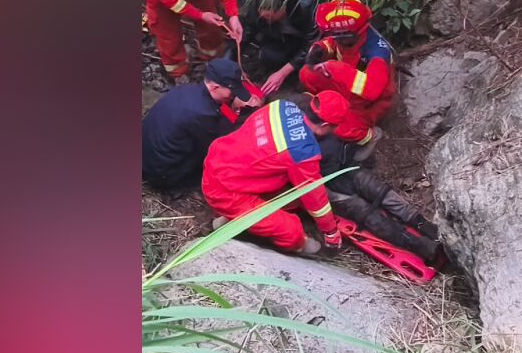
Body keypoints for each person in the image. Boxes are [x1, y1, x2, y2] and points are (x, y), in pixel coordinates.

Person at [201, 92, 353, 256]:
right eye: (335, 126)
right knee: (292, 231)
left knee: (291, 196)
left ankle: (231, 221)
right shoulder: (302, 152)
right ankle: (231, 221)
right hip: (225, 191)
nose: (336, 130)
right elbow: (315, 198)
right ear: (324, 125)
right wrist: (330, 233)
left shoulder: (281, 106)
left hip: (220, 162)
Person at [316, 132, 445, 265]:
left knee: (378, 195)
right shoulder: (308, 143)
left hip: (346, 169)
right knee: (367, 212)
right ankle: (421, 244)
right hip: (332, 180)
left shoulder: (322, 127)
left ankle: (425, 229)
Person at [142, 59, 262, 197]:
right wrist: (234, 110)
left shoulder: (187, 89)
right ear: (215, 87)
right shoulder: (202, 114)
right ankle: (175, 186)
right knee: (217, 161)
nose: (234, 96)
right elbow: (216, 145)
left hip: (145, 153)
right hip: (159, 172)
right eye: (232, 92)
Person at [298, 0, 397, 161]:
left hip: (368, 102)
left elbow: (371, 91)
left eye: (338, 36)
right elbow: (332, 43)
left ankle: (370, 136)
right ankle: (324, 104)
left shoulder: (377, 55)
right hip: (346, 86)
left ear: (353, 33)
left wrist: (337, 69)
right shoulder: (347, 37)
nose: (336, 39)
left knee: (340, 129)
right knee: (307, 74)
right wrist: (319, 49)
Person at [225, 0, 319, 96]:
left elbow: (311, 44)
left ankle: (295, 75)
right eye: (263, 17)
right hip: (281, 39)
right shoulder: (256, 5)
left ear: (284, 8)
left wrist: (282, 73)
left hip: (303, 42)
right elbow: (247, 33)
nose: (265, 18)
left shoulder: (308, 8)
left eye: (270, 17)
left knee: (310, 66)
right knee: (269, 56)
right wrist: (228, 63)